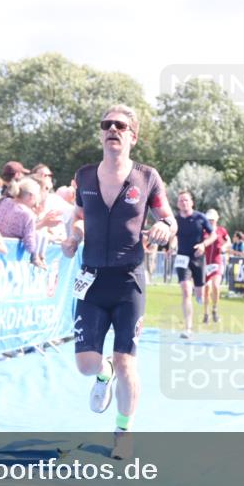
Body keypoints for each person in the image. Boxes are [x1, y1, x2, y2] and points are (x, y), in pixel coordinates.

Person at [60, 104, 176, 460]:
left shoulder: (147, 177)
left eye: (120, 126)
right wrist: (73, 236)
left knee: (127, 361)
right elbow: (79, 217)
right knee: (86, 365)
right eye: (107, 124)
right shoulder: (84, 176)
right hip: (91, 280)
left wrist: (164, 227)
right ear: (101, 133)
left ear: (132, 136)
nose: (113, 129)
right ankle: (103, 372)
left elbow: (170, 222)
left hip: (129, 282)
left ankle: (123, 430)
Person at [173, 191, 216, 338]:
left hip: (198, 258)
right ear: (178, 204)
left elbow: (213, 235)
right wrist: (171, 247)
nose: (184, 203)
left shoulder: (200, 217)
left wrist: (203, 245)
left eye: (186, 200)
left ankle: (201, 299)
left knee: (200, 294)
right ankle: (188, 328)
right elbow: (172, 236)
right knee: (186, 290)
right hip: (182, 257)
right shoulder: (176, 219)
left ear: (192, 202)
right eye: (181, 200)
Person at [0, 177, 46, 268]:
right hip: (12, 258)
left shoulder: (3, 201)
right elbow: (29, 245)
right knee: (40, 234)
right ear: (31, 196)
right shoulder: (27, 214)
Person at [202, 208, 229, 324]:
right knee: (206, 288)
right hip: (205, 263)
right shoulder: (203, 231)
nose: (211, 221)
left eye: (213, 219)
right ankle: (206, 313)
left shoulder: (221, 231)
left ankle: (215, 309)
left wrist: (224, 247)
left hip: (217, 262)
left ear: (217, 219)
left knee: (216, 286)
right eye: (209, 220)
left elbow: (228, 242)